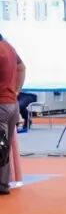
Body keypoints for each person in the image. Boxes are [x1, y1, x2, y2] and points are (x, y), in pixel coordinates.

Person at [0, 33, 26, 195]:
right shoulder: (9, 48)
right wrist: (16, 90)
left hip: (0, 106)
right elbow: (22, 68)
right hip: (12, 105)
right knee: (4, 146)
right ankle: (3, 185)